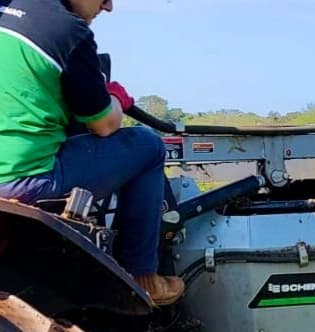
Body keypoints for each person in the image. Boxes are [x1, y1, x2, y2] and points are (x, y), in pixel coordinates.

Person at [0, 0, 184, 305]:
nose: (108, 6)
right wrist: (115, 98)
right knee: (149, 146)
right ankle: (142, 276)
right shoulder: (70, 32)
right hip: (23, 181)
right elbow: (104, 124)